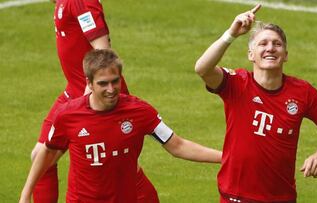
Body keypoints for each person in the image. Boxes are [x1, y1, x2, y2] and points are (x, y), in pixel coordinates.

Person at [20, 49, 222, 202]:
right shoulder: (67, 114)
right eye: (103, 83)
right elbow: (46, 152)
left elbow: (177, 146)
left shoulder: (139, 111)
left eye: (115, 81)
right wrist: (25, 194)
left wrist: (226, 157)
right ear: (89, 83)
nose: (111, 89)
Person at [194, 4, 317, 203]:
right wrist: (231, 33)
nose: (270, 48)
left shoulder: (302, 92)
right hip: (234, 197)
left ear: (285, 55)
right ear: (251, 55)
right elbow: (202, 69)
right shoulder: (236, 83)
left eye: (277, 44)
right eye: (263, 43)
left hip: (280, 198)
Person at [31, 0, 159, 202]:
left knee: (123, 169)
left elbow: (103, 52)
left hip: (98, 94)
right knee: (41, 156)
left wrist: (86, 105)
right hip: (74, 92)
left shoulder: (80, 1)